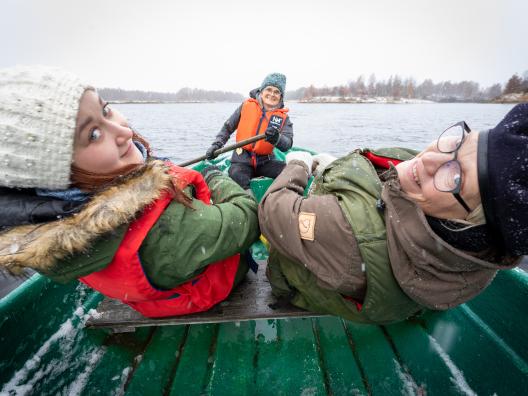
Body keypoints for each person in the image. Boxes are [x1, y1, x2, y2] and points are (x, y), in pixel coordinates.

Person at [0, 66, 260, 318]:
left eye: (106, 110)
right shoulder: (164, 231)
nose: (125, 131)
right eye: (93, 134)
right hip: (210, 288)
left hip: (152, 295)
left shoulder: (53, 225)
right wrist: (214, 177)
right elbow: (247, 217)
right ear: (57, 175)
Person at [258, 104, 528, 324]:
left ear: (467, 224)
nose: (430, 159)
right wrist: (336, 167)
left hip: (310, 280)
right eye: (459, 142)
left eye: (455, 176)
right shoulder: (486, 250)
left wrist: (297, 166)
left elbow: (271, 211)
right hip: (396, 298)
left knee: (280, 249)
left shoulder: (352, 233)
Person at [205, 73, 293, 190]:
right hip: (241, 160)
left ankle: (275, 199)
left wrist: (277, 138)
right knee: (238, 176)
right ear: (261, 91)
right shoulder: (246, 106)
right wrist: (216, 145)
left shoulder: (284, 118)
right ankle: (248, 202)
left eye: (277, 92)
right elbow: (228, 128)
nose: (272, 94)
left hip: (266, 161)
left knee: (291, 173)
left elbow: (287, 143)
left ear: (281, 97)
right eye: (269, 89)